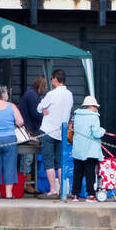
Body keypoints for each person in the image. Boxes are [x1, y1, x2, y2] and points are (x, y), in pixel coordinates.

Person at [37, 68, 73, 199]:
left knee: (48, 160)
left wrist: (45, 109)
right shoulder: (69, 94)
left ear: (56, 80)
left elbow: (39, 107)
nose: (51, 81)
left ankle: (52, 189)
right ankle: (62, 189)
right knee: (60, 162)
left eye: (51, 78)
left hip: (48, 130)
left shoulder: (52, 94)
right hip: (61, 131)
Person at [70, 94, 104, 202]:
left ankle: (75, 194)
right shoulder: (94, 117)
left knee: (77, 172)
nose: (97, 109)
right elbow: (96, 133)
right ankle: (90, 195)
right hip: (90, 150)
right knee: (90, 173)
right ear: (93, 106)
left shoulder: (77, 115)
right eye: (96, 107)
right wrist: (103, 131)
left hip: (78, 149)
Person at [18, 76, 46, 190]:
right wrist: (46, 115)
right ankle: (26, 183)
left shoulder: (30, 94)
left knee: (28, 158)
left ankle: (26, 182)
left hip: (28, 129)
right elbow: (36, 114)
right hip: (28, 131)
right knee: (27, 157)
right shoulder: (33, 96)